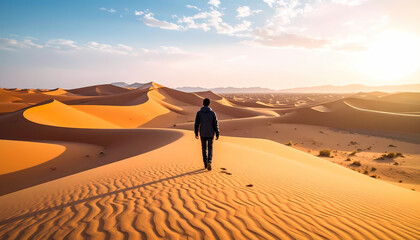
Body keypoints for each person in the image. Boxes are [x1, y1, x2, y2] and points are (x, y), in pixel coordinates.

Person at [194, 98, 219, 171]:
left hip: (203, 133)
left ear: (203, 103)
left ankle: (205, 164)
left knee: (204, 149)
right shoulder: (212, 113)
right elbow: (215, 124)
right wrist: (217, 133)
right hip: (210, 134)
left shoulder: (199, 113)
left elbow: (196, 124)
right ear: (209, 104)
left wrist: (196, 133)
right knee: (210, 148)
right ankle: (209, 161)